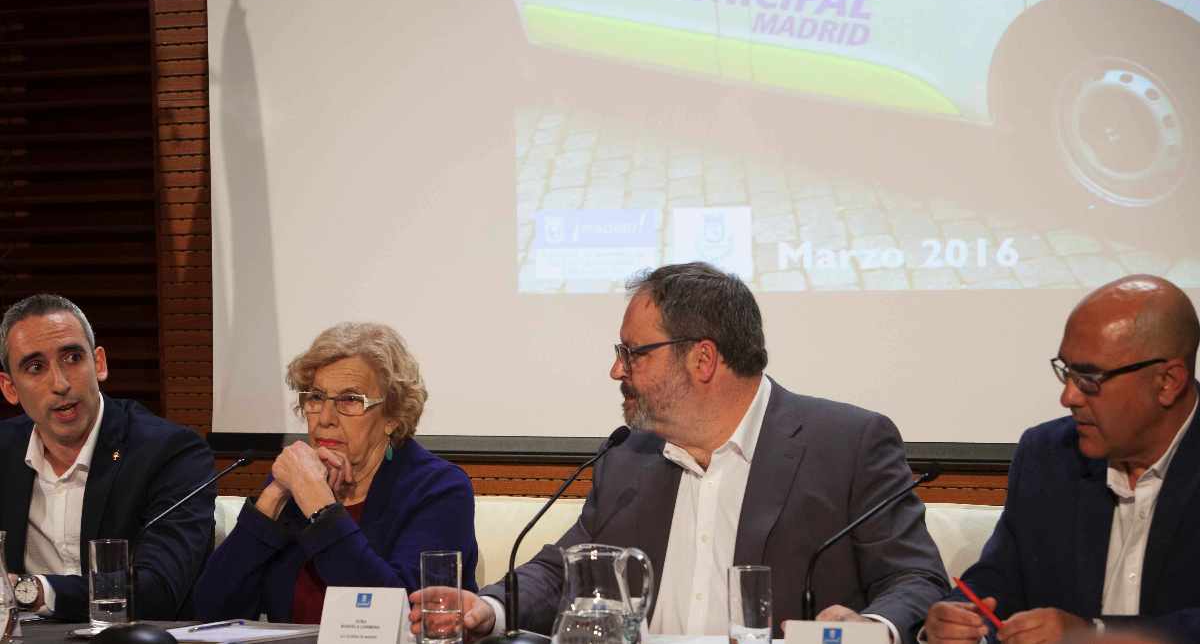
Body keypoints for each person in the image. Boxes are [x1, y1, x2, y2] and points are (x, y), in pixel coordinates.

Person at [410, 262, 948, 643]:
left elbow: (916, 580)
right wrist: (491, 607)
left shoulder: (847, 443)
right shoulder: (629, 457)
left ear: (703, 359)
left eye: (633, 353)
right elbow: (563, 569)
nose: (617, 371)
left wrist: (872, 631)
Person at [921, 275, 1200, 644]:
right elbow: (998, 580)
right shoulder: (1049, 454)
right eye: (1066, 372)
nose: (1068, 396)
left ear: (1167, 381)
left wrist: (1093, 635)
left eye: (1089, 377)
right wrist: (958, 619)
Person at [194, 322, 479, 623]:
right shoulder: (296, 482)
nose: (325, 418)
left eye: (351, 400)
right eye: (316, 397)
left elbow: (398, 617)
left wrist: (318, 505)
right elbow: (212, 611)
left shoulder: (438, 489)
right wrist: (274, 497)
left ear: (393, 416)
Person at [0, 293, 217, 622]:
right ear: (10, 388)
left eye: (72, 358)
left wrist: (31, 591)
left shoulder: (170, 453)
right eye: (35, 367)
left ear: (98, 363)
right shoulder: (3, 451)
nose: (59, 384)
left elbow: (157, 589)